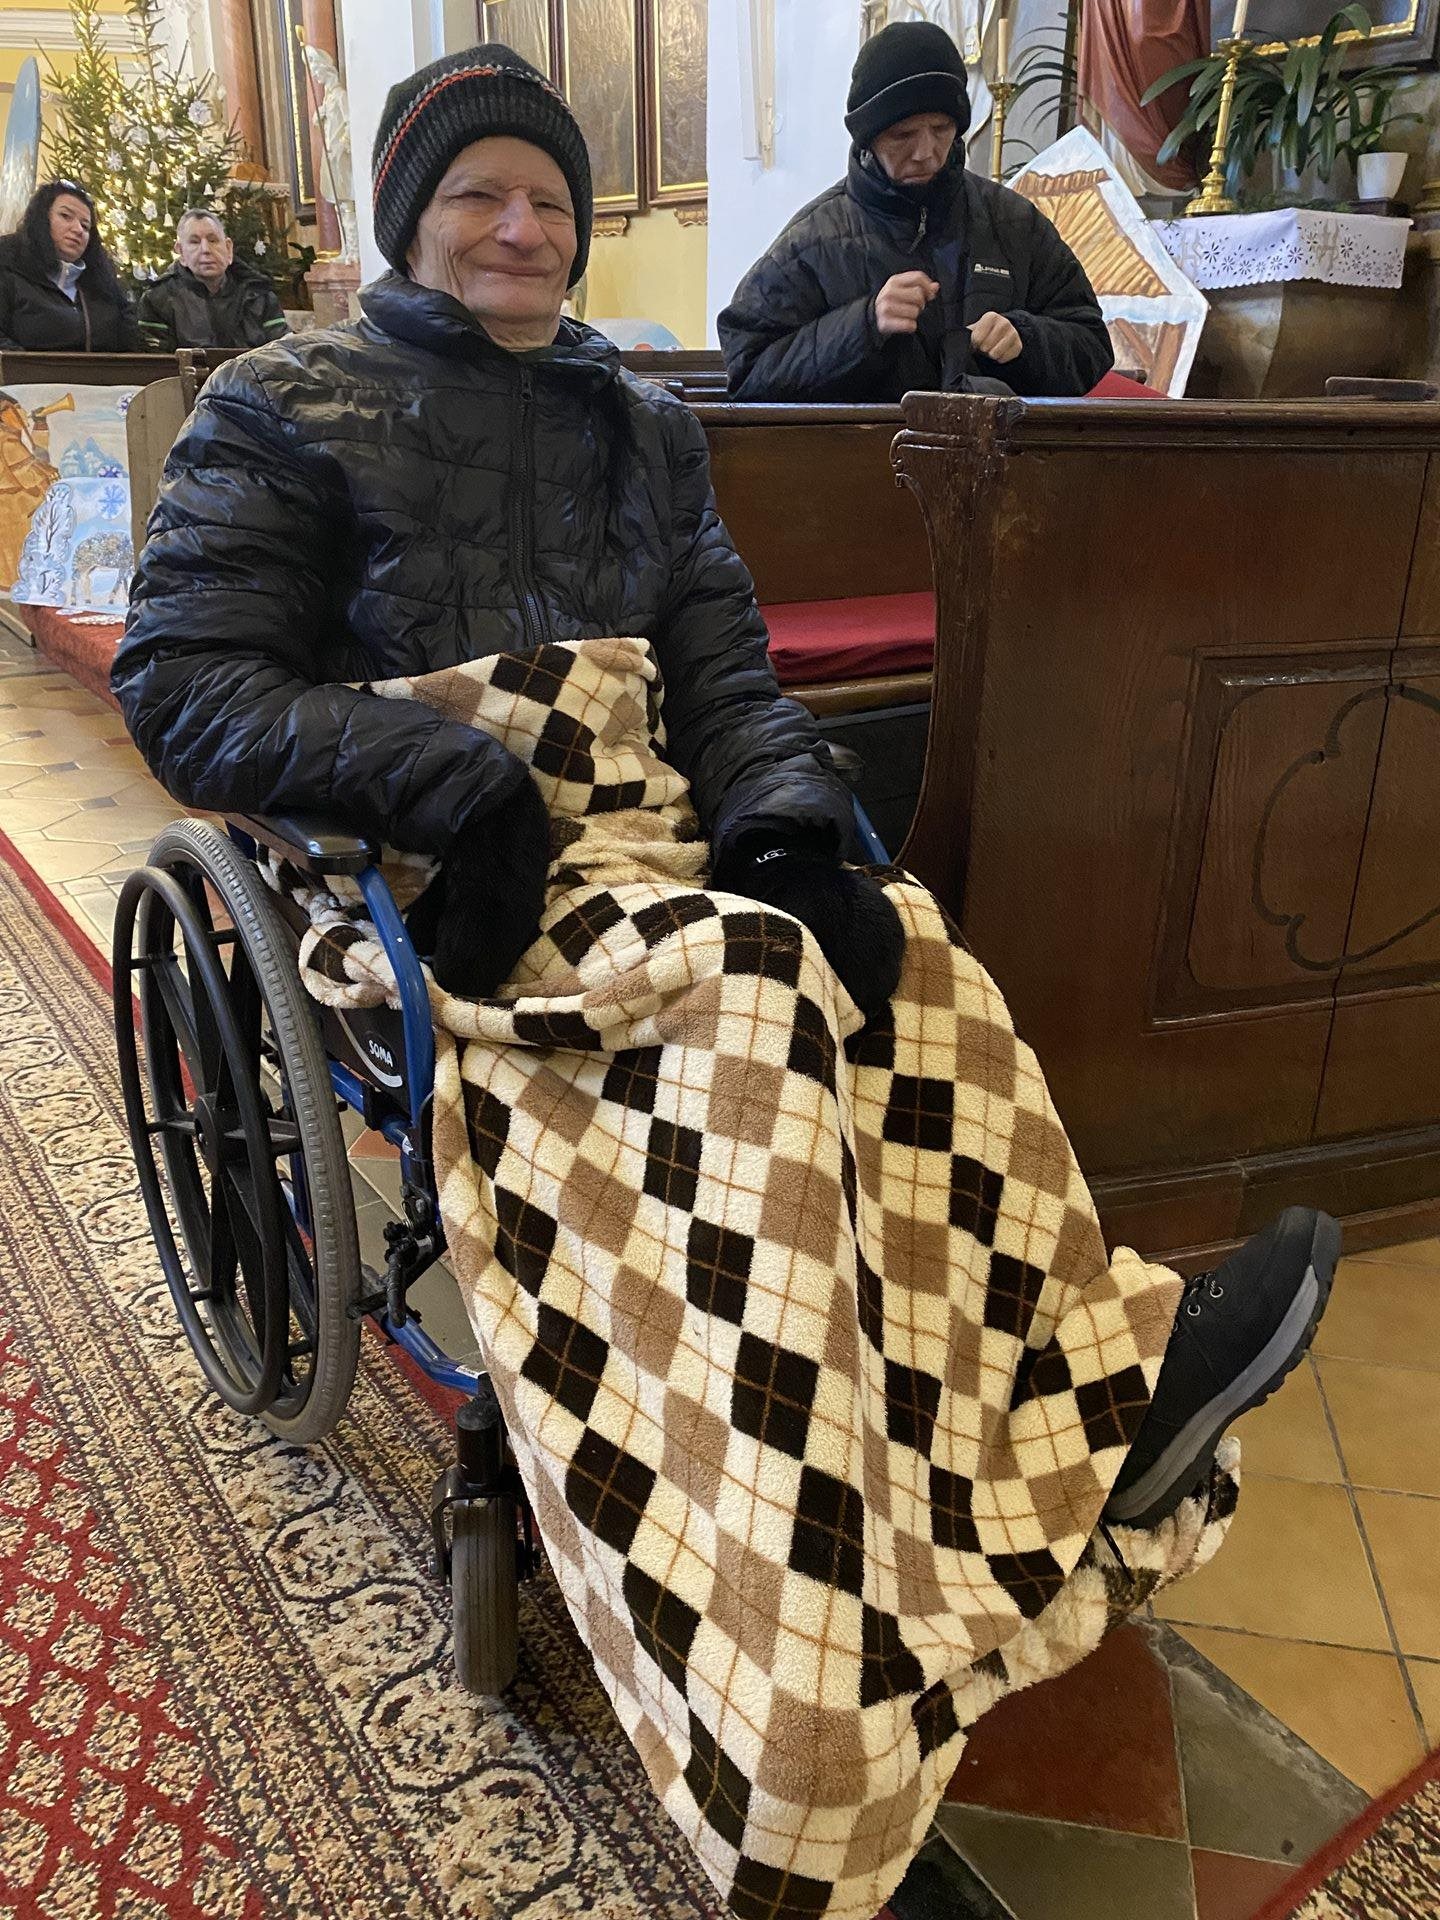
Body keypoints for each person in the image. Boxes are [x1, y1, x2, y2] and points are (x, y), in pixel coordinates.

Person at [113, 42, 1335, 1917]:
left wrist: (778, 828)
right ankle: (799, 1729)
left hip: (657, 827)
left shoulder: (640, 420)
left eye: (549, 199)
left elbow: (725, 671)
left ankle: (1097, 1391)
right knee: (750, 1008)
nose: (520, 228)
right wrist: (453, 780)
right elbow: (185, 684)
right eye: (478, 196)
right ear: (409, 222)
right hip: (436, 872)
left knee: (909, 959)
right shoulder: (281, 406)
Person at [719, 20, 1115, 402]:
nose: (926, 152)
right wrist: (864, 325)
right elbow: (749, 369)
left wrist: (1026, 339)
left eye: (941, 128)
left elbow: (1092, 343)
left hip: (998, 448)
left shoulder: (1013, 223)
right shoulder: (814, 241)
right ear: (869, 139)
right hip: (866, 449)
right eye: (903, 134)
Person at [0, 179, 144, 353]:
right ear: (41, 219)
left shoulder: (104, 285)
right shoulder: (7, 268)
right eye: (66, 216)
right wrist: (29, 365)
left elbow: (129, 344)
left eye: (85, 226)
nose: (78, 230)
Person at [136, 208, 289, 352]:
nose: (206, 250)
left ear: (228, 248)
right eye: (195, 242)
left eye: (213, 240)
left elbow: (283, 354)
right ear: (181, 252)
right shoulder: (157, 299)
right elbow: (158, 364)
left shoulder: (259, 296)